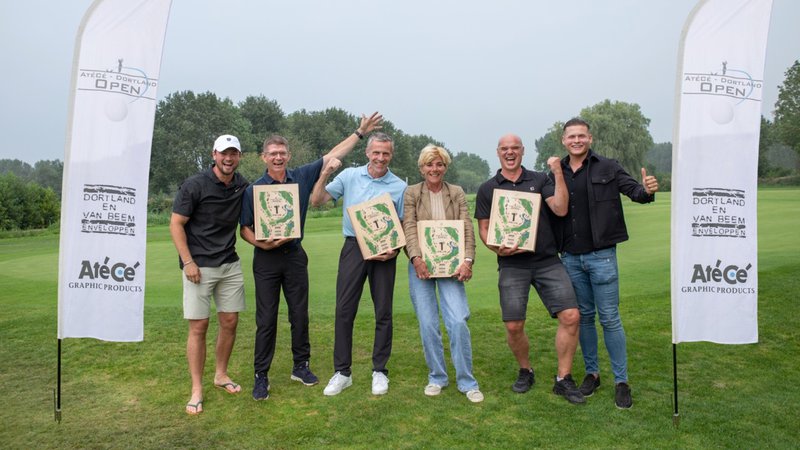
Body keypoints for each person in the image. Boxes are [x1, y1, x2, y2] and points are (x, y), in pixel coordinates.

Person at [239, 113, 383, 401]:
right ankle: (261, 375)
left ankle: (300, 366)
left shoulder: (302, 177)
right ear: (264, 157)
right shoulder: (253, 189)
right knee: (266, 319)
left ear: (288, 155)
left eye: (282, 153)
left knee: (299, 314)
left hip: (294, 255)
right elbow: (244, 229)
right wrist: (261, 245)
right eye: (273, 153)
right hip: (266, 259)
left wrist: (360, 133)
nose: (278, 157)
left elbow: (333, 154)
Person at [553, 118, 658, 409]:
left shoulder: (608, 167)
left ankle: (621, 381)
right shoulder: (557, 171)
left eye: (581, 136)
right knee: (585, 318)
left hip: (602, 256)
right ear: (564, 140)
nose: (576, 140)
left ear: (590, 138)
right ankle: (592, 374)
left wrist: (647, 190)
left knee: (610, 318)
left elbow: (636, 193)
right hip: (570, 258)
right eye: (571, 136)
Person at [474, 134, 585, 404]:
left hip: (547, 260)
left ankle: (564, 378)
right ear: (498, 152)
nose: (510, 152)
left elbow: (560, 209)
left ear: (522, 151)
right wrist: (497, 248)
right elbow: (484, 229)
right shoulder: (488, 188)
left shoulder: (540, 179)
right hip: (512, 264)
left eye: (515, 148)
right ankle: (526, 370)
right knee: (514, 325)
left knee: (571, 316)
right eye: (505, 149)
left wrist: (557, 172)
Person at [310, 132, 407, 397]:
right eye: (376, 152)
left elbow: (402, 224)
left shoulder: (399, 186)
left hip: (385, 251)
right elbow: (316, 201)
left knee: (383, 311)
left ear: (391, 155)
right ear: (367, 152)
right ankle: (342, 372)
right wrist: (324, 174)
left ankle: (380, 371)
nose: (380, 158)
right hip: (353, 247)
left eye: (385, 153)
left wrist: (395, 249)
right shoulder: (349, 176)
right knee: (344, 310)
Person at [170, 134, 250, 415]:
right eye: (223, 153)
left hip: (229, 263)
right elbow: (176, 224)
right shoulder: (195, 185)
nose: (228, 158)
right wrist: (188, 262)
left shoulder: (242, 185)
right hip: (198, 267)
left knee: (230, 321)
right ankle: (196, 388)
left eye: (233, 153)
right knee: (199, 327)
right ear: (214, 154)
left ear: (239, 157)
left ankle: (221, 375)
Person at [403, 144, 483, 403]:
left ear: (445, 167)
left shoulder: (456, 192)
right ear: (421, 168)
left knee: (458, 321)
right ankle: (437, 377)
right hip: (421, 266)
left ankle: (467, 381)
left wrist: (468, 260)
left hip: (452, 266)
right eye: (429, 164)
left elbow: (467, 227)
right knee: (428, 324)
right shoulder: (412, 193)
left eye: (439, 164)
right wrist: (416, 258)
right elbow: (409, 227)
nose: (434, 169)